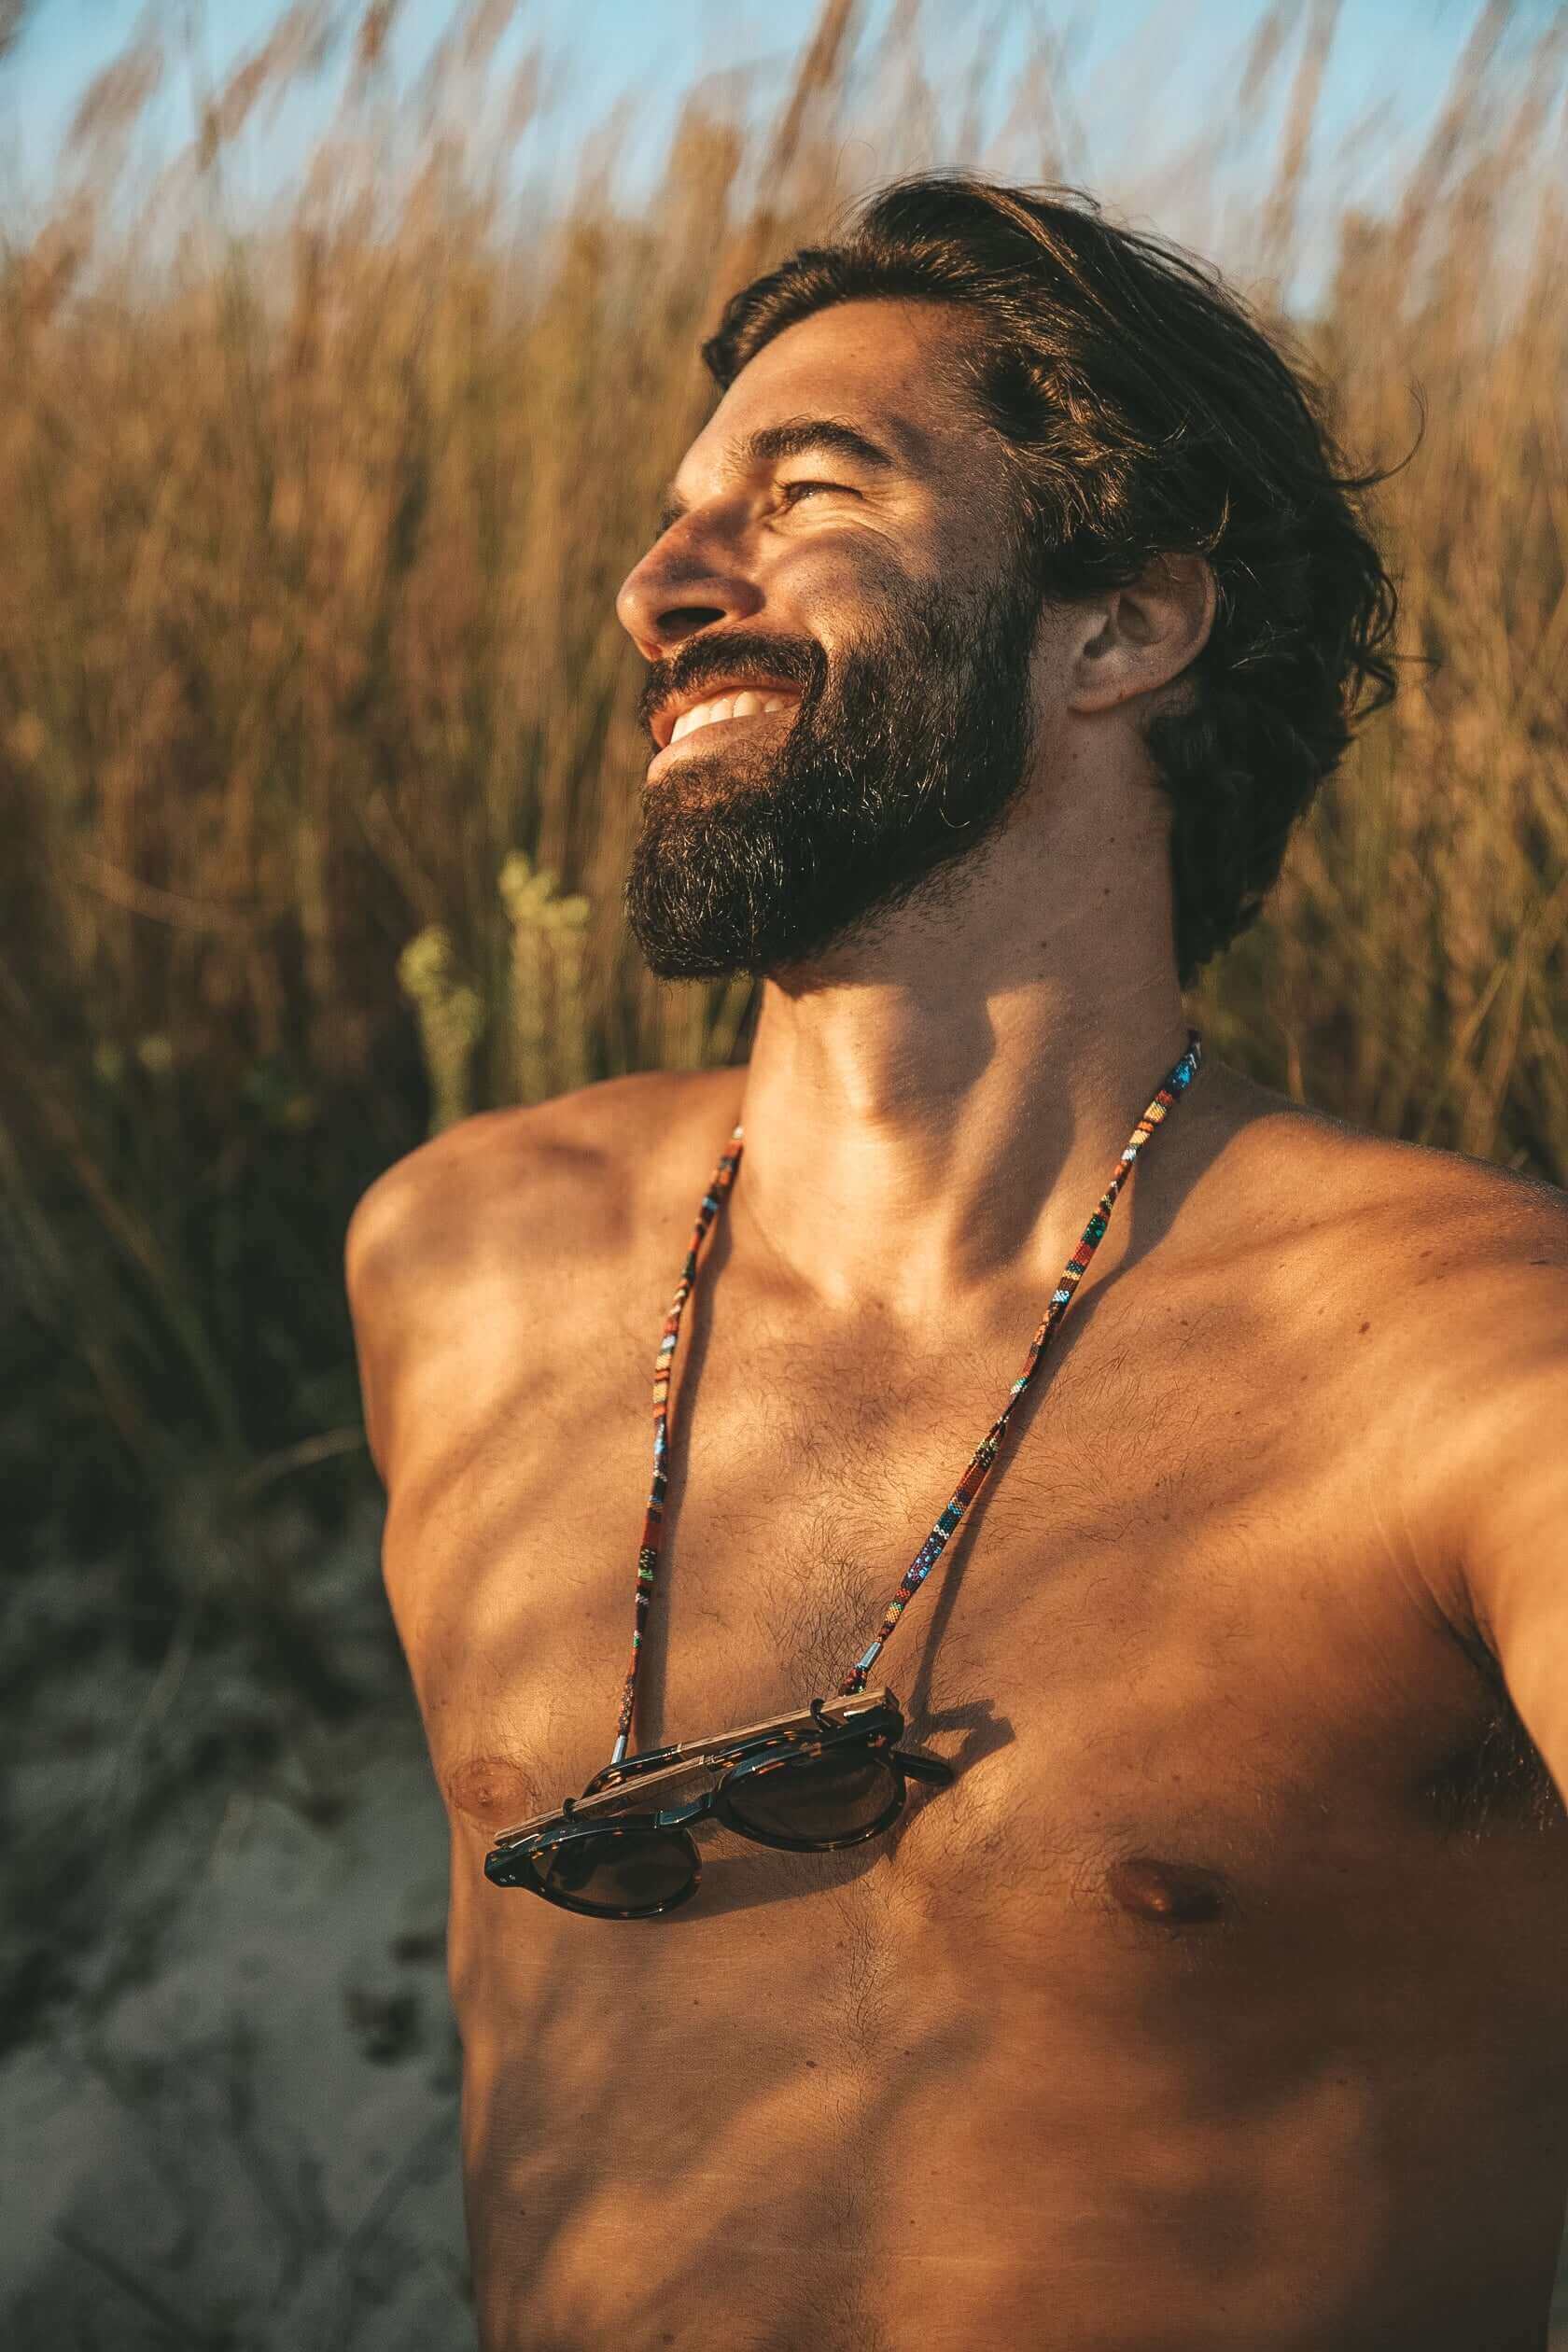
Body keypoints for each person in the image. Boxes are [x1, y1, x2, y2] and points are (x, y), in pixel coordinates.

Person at [344, 174, 1568, 2351]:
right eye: (673, 514)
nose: (658, 585)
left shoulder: (1469, 1372)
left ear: (1122, 631)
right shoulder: (464, 1267)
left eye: (809, 490)